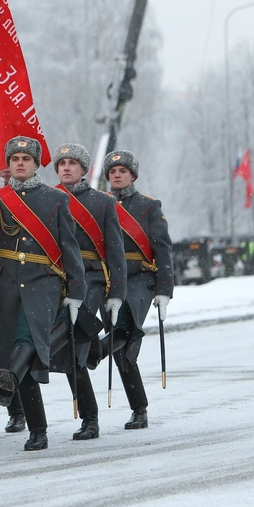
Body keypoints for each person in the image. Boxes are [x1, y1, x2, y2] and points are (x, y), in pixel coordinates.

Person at [0, 137, 86, 451]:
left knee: (28, 341)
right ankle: (28, 416)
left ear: (35, 164)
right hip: (4, 281)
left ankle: (30, 417)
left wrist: (76, 289)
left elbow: (69, 247)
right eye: (15, 158)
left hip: (42, 281)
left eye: (26, 158)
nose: (20, 163)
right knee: (10, 349)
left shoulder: (55, 200)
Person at [90, 150, 174, 430]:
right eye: (112, 172)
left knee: (123, 328)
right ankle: (140, 408)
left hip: (139, 279)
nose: (117, 175)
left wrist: (165, 288)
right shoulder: (99, 204)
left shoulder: (149, 206)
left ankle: (96, 352)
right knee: (123, 348)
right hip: (109, 277)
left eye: (122, 171)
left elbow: (162, 249)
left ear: (133, 175)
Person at [49, 143, 127, 441]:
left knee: (74, 352)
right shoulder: (47, 198)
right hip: (55, 279)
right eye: (61, 163)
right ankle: (96, 345)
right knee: (65, 348)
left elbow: (115, 250)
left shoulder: (102, 202)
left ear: (84, 170)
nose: (66, 167)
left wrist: (117, 292)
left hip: (92, 280)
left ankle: (90, 419)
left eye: (72, 163)